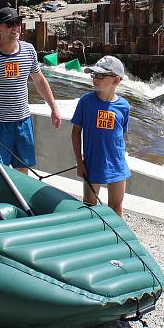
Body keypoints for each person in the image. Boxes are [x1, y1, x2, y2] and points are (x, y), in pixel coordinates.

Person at [0, 7, 61, 173]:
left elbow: (39, 80)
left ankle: (21, 199)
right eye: (10, 24)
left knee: (24, 168)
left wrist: (54, 108)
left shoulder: (29, 50)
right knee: (1, 171)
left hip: (23, 122)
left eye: (18, 23)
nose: (15, 27)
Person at [70, 56, 131, 216]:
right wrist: (79, 161)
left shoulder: (124, 106)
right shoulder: (86, 102)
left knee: (116, 207)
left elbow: (120, 135)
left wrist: (122, 156)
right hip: (92, 162)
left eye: (101, 76)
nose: (95, 79)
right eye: (94, 75)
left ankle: (117, 239)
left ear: (116, 80)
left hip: (117, 163)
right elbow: (76, 132)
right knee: (90, 205)